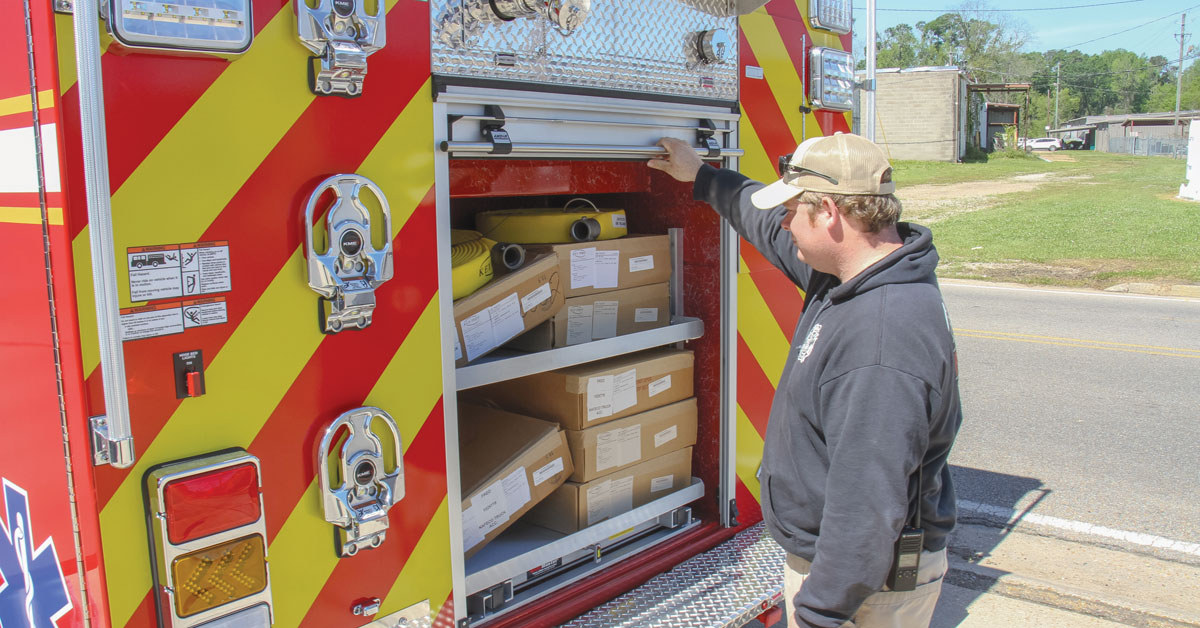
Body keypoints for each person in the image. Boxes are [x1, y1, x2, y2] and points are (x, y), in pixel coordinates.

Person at [648, 133, 963, 628]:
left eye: (792, 210)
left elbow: (868, 505)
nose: (783, 222)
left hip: (861, 588)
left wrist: (817, 612)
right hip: (849, 574)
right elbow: (764, 223)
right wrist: (704, 177)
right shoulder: (854, 274)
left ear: (830, 213)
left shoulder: (879, 341)